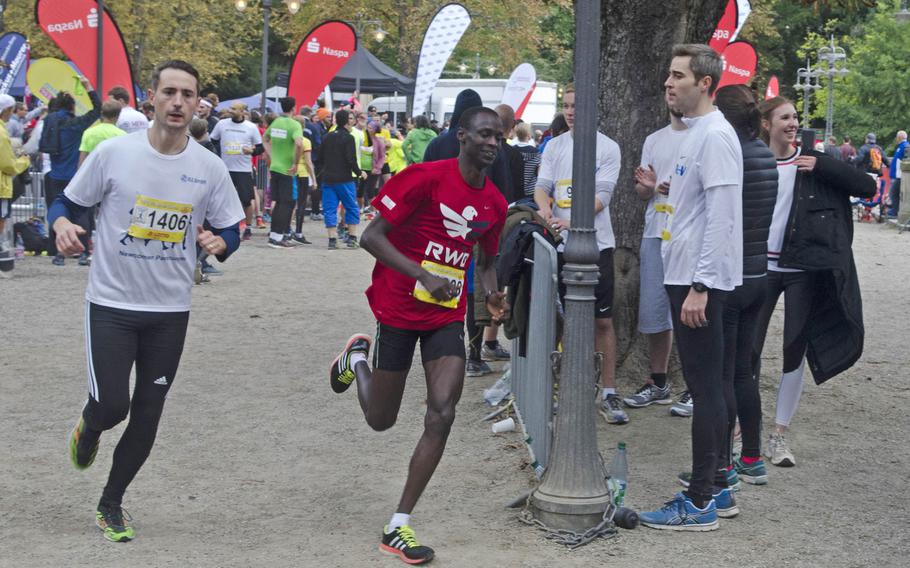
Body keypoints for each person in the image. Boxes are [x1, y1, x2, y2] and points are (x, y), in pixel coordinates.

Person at [49, 59, 244, 542]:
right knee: (113, 405)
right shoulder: (116, 154)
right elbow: (66, 202)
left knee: (149, 412)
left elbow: (230, 227)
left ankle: (111, 503)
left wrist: (224, 244)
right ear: (151, 99)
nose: (178, 102)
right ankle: (90, 427)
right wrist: (61, 225)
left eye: (188, 94)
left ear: (199, 104)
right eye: (169, 92)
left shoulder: (209, 167)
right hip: (112, 305)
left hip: (169, 312)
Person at [328, 106, 508, 565]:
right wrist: (422, 275)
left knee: (442, 412)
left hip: (445, 317)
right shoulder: (424, 177)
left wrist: (491, 295)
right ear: (462, 135)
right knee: (380, 420)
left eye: (499, 138)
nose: (493, 143)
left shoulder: (495, 203)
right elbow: (372, 236)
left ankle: (399, 524)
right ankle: (358, 361)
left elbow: (486, 261)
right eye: (485, 135)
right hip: (398, 307)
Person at [639, 44, 743, 531]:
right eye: (668, 74)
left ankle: (700, 500)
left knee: (705, 388)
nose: (668, 83)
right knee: (711, 384)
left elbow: (723, 218)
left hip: (699, 280)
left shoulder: (716, 136)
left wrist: (701, 284)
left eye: (678, 75)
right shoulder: (691, 135)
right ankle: (717, 489)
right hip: (683, 272)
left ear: (704, 83)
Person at [751, 96, 875, 469]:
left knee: (794, 350)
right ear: (766, 123)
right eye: (784, 117)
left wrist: (823, 166)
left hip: (802, 269)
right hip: (760, 267)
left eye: (795, 117)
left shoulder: (813, 162)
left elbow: (866, 187)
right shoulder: (753, 160)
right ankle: (745, 427)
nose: (792, 123)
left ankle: (779, 434)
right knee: (748, 350)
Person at [534, 83, 626, 424]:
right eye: (566, 106)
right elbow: (542, 187)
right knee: (559, 319)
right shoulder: (555, 146)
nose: (571, 112)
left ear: (593, 111)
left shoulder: (607, 148)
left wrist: (568, 219)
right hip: (560, 244)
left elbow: (602, 198)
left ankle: (609, 392)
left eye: (577, 106)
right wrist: (545, 211)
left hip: (597, 244)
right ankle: (559, 390)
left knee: (602, 320)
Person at [704, 85, 777, 490]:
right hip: (759, 275)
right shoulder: (765, 153)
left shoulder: (732, 156)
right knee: (744, 374)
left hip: (732, 278)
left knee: (723, 375)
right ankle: (752, 457)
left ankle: (724, 466)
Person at [625, 103, 688, 412]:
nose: (671, 92)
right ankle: (658, 381)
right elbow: (641, 189)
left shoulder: (705, 136)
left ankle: (695, 386)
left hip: (688, 235)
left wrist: (681, 188)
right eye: (667, 87)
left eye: (677, 82)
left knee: (691, 312)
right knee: (653, 310)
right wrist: (648, 187)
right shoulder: (654, 139)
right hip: (655, 232)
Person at [44, 77, 102, 266]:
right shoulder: (74, 124)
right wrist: (88, 88)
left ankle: (58, 253)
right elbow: (98, 110)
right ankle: (83, 252)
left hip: (54, 174)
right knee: (81, 214)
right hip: (73, 175)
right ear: (72, 107)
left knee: (57, 212)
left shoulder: (49, 122)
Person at [210, 102, 264, 241]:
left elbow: (260, 148)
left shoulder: (251, 127)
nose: (230, 110)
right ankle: (222, 227)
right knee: (221, 200)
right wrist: (217, 157)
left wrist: (251, 151)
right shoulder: (222, 124)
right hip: (225, 168)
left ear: (242, 111)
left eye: (234, 109)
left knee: (247, 200)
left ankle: (248, 228)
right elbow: (212, 141)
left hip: (243, 169)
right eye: (230, 108)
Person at [314, 108, 366, 249]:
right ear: (347, 122)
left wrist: (320, 174)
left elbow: (319, 159)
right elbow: (351, 159)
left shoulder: (327, 136)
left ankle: (332, 240)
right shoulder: (349, 137)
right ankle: (352, 238)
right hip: (345, 179)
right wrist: (359, 172)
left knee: (330, 209)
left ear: (336, 120)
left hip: (328, 179)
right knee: (351, 207)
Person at [263, 97, 303, 248]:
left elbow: (265, 139)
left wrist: (272, 155)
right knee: (287, 204)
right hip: (287, 169)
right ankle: (278, 238)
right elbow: (299, 143)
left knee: (279, 202)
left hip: (275, 167)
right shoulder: (295, 124)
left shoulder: (276, 122)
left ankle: (274, 235)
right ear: (294, 108)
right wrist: (296, 163)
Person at [0, 94, 31, 271]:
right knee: (1, 218)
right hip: (1, 185)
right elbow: (7, 165)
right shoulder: (2, 133)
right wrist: (24, 161)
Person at [291, 114, 316, 243]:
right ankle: (298, 233)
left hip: (289, 172)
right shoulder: (305, 141)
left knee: (288, 203)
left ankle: (285, 231)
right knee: (301, 204)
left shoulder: (289, 140)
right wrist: (314, 179)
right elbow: (308, 162)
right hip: (302, 173)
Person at [78, 101, 126, 167]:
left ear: (102, 114)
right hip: (112, 172)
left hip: (93, 173)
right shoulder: (123, 135)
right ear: (117, 116)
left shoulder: (88, 132)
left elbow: (82, 160)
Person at [512, 122, 541, 197]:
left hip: (515, 190)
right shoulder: (536, 152)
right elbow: (539, 173)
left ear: (517, 134)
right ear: (529, 135)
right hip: (531, 191)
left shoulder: (511, 151)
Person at [888, 130, 907, 217]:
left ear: (900, 137)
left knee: (893, 192)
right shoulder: (900, 146)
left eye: (897, 137)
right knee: (894, 193)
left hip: (899, 176)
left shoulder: (905, 146)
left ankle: (895, 211)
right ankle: (895, 210)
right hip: (897, 175)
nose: (896, 139)